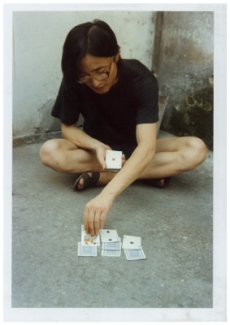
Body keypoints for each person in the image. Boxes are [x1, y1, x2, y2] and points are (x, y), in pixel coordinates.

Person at [39, 19, 207, 236]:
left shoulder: (141, 79)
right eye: (85, 75)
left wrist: (107, 195)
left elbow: (146, 148)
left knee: (196, 149)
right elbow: (68, 129)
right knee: (50, 152)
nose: (96, 82)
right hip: (99, 154)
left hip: (137, 149)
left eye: (101, 71)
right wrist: (97, 146)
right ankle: (143, 175)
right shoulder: (75, 79)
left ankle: (104, 177)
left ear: (116, 54)